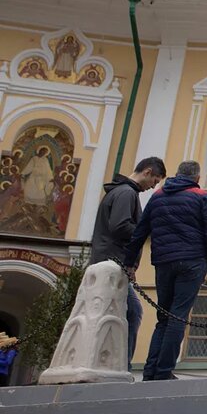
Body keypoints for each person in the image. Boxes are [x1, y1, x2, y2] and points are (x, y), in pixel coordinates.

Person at [123, 160, 207, 381]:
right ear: (197, 178)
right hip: (192, 261)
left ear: (176, 175)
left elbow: (139, 232)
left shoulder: (157, 196)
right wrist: (205, 258)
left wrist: (130, 263)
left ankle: (150, 371)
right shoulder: (201, 195)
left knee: (163, 317)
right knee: (178, 316)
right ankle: (164, 371)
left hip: (163, 262)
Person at [90, 156, 166, 369]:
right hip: (113, 263)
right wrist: (146, 231)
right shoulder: (126, 193)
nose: (154, 187)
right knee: (132, 313)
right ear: (147, 172)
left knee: (114, 315)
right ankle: (122, 365)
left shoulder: (119, 191)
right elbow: (121, 226)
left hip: (110, 261)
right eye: (155, 180)